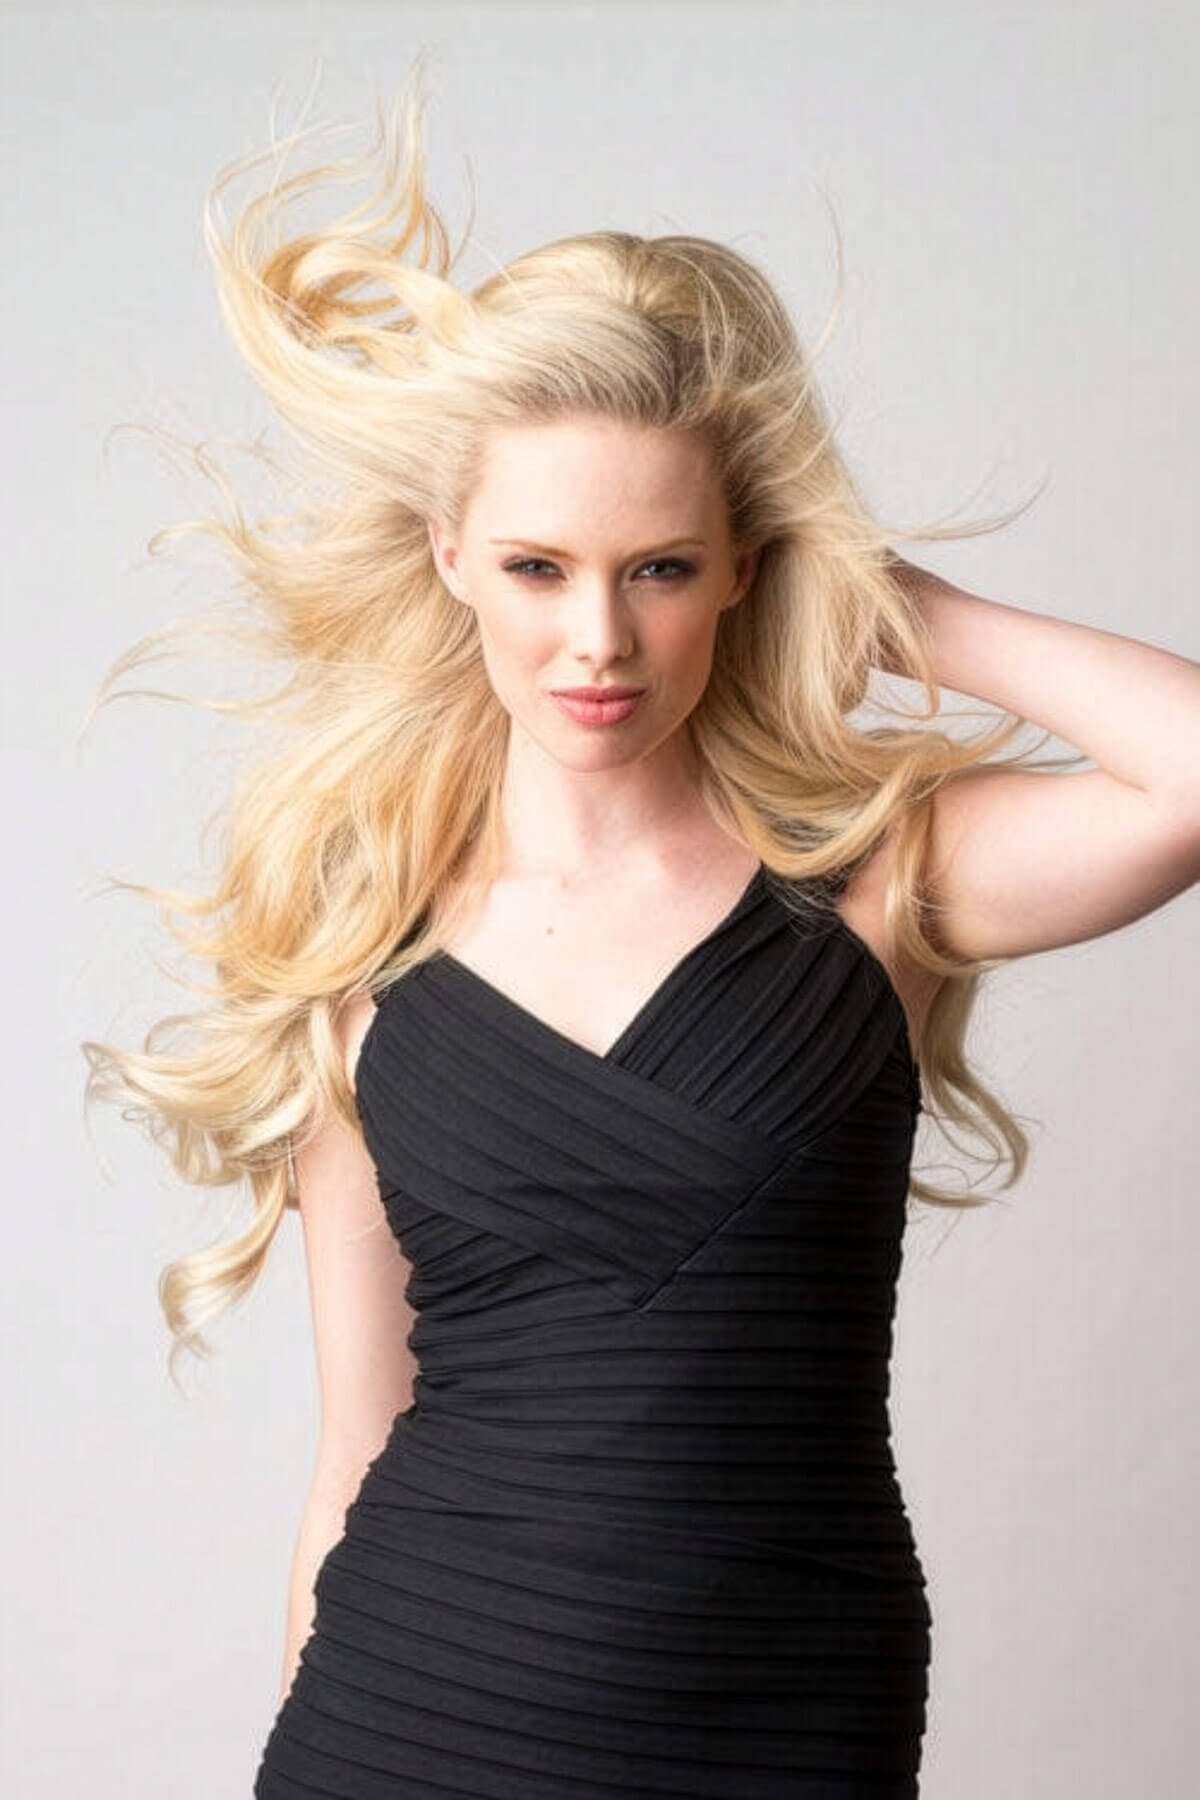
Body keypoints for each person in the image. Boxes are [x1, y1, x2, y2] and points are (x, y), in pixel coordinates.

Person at [82, 64, 1200, 1800]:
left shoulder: (881, 885)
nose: (598, 638)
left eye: (661, 566)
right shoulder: (363, 962)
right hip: (413, 1715)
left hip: (790, 1720)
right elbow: (355, 1451)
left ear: (746, 564)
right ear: (450, 556)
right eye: (538, 566)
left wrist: (899, 603)